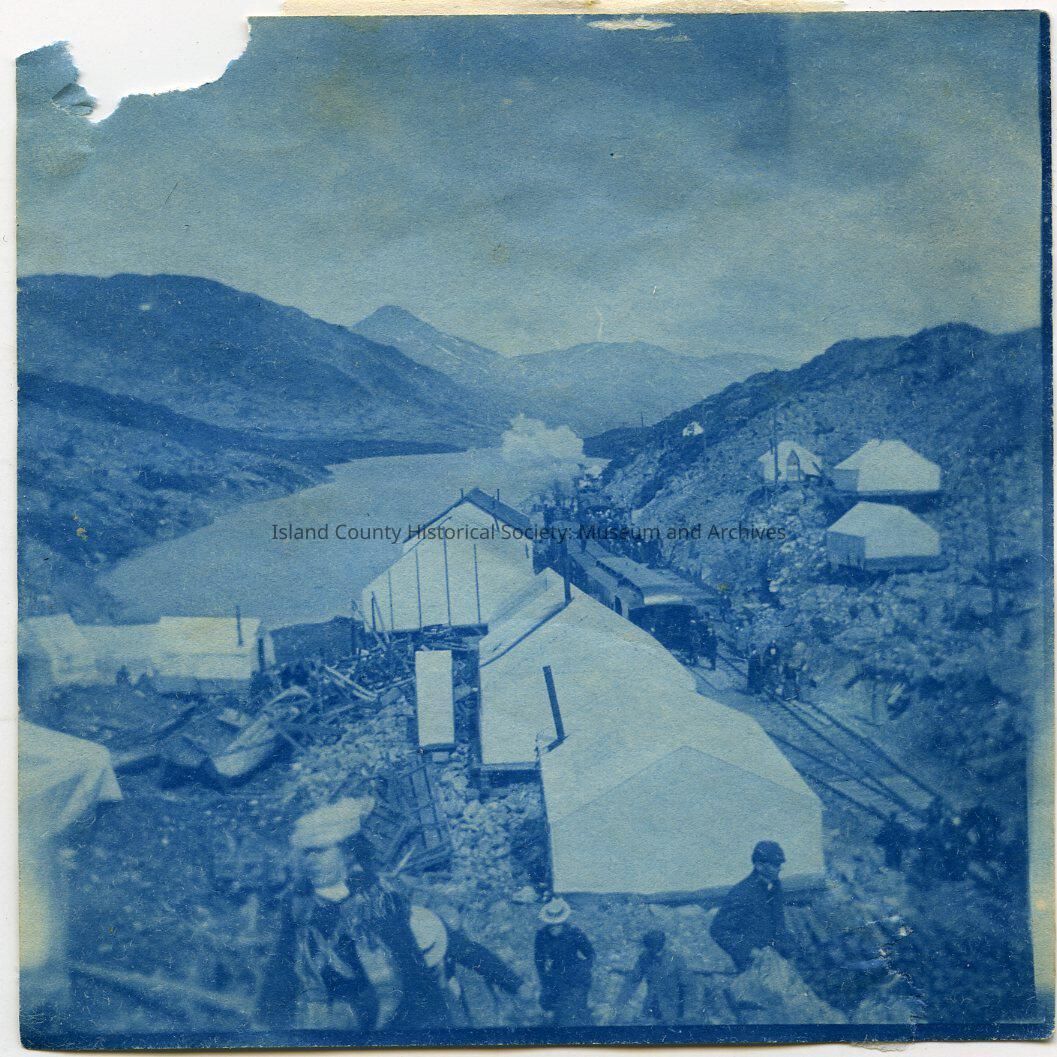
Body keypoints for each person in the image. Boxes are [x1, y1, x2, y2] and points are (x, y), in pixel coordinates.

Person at [710, 841, 795, 973]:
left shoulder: (775, 887)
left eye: (780, 864)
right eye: (775, 865)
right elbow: (718, 930)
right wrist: (750, 951)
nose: (779, 869)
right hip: (752, 964)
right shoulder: (742, 893)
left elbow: (779, 923)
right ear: (759, 866)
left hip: (776, 959)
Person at [534, 898, 595, 1025]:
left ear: (563, 922)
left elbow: (591, 954)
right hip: (556, 974)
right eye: (551, 924)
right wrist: (545, 981)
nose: (554, 927)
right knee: (549, 1006)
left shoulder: (574, 932)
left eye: (558, 924)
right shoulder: (542, 935)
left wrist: (583, 968)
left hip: (576, 976)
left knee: (574, 1010)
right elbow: (539, 961)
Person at [614, 929, 690, 1023]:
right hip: (651, 1006)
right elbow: (634, 979)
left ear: (660, 945)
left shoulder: (676, 959)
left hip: (671, 1007)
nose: (649, 950)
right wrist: (619, 1004)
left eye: (652, 946)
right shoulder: (644, 958)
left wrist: (686, 1012)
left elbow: (686, 986)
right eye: (648, 946)